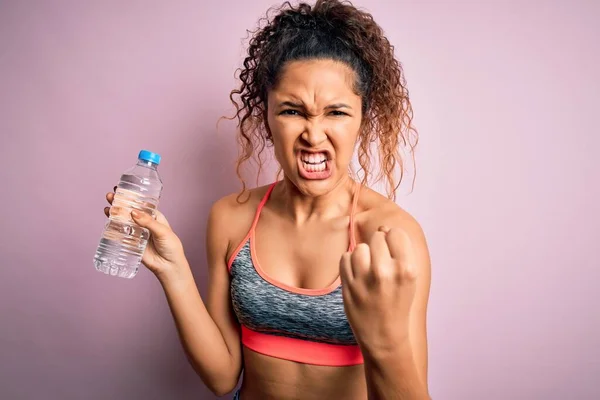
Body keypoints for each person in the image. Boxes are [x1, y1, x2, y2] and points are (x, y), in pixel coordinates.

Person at [104, 0, 431, 398]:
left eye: (336, 113)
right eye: (293, 111)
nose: (313, 134)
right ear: (266, 116)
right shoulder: (231, 218)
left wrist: (385, 339)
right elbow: (222, 376)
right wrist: (173, 269)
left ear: (364, 117)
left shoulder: (390, 237)